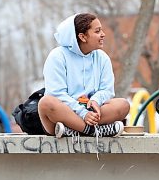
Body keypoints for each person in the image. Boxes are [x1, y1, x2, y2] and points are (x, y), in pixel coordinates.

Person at [38, 13, 130, 141]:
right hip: (65, 115)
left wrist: (96, 101)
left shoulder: (102, 57)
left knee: (123, 105)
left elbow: (107, 90)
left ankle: (76, 130)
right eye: (97, 31)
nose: (103, 34)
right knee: (46, 103)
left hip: (92, 113)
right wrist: (82, 113)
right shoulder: (57, 56)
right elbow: (56, 94)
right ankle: (92, 131)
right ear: (82, 37)